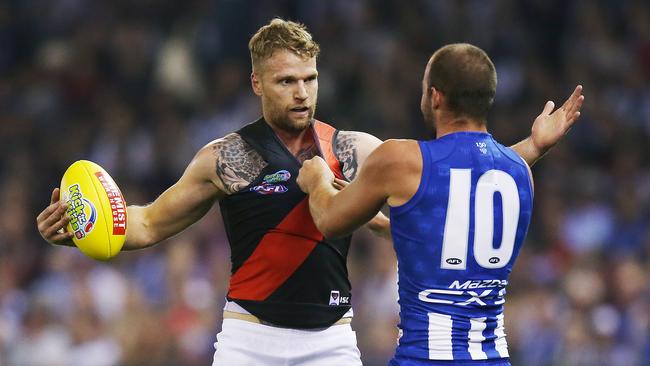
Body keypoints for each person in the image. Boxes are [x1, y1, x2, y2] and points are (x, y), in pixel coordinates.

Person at [36, 18, 581, 365]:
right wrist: (80, 229)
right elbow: (149, 222)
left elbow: (455, 172)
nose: (302, 92)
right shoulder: (224, 157)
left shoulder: (354, 148)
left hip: (332, 342)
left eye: (309, 78)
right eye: (286, 81)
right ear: (257, 84)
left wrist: (529, 148)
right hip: (249, 341)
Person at [297, 43, 584, 366]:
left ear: (435, 97)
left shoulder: (402, 160)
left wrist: (316, 180)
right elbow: (455, 231)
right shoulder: (520, 174)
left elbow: (328, 220)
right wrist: (533, 147)